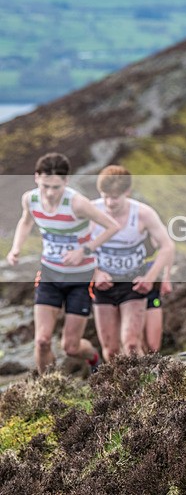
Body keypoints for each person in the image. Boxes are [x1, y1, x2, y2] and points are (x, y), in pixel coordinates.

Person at [5, 152, 121, 375]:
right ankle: (49, 390)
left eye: (56, 187)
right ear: (36, 177)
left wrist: (84, 250)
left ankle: (94, 357)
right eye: (45, 185)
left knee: (70, 347)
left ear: (66, 182)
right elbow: (26, 221)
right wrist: (16, 248)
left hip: (80, 278)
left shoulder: (77, 203)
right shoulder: (30, 198)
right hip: (50, 274)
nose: (49, 193)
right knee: (42, 341)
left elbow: (112, 226)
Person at [90, 165, 175, 361]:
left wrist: (150, 278)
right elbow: (75, 245)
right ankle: (119, 390)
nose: (110, 203)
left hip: (133, 284)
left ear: (126, 192)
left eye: (115, 197)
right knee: (110, 350)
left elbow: (167, 246)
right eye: (105, 196)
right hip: (104, 285)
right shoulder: (91, 211)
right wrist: (95, 273)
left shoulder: (143, 213)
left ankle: (144, 390)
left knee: (131, 344)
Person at [141, 236, 173, 353]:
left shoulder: (153, 226)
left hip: (152, 291)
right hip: (129, 292)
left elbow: (169, 248)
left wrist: (166, 278)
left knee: (153, 346)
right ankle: (138, 369)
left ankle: (151, 368)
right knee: (136, 344)